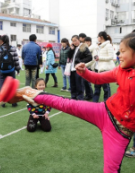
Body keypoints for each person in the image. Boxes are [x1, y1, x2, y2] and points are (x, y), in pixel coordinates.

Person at [9, 32, 135, 173]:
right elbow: (98, 79)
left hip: (121, 132)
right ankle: (29, 92)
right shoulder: (121, 70)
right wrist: (85, 72)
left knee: (110, 170)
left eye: (123, 51)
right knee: (67, 104)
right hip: (104, 111)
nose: (119, 55)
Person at [0, 35, 20, 107]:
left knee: (2, 86)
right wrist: (17, 69)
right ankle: (13, 102)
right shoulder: (13, 48)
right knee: (12, 86)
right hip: (11, 70)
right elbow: (16, 60)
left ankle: (3, 102)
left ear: (2, 41)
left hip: (2, 71)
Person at [91, 31, 115, 102]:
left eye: (98, 36)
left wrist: (99, 58)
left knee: (106, 88)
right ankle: (94, 102)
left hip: (104, 69)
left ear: (101, 37)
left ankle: (107, 103)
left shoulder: (108, 45)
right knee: (96, 87)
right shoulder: (98, 46)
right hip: (97, 68)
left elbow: (110, 57)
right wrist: (96, 57)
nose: (97, 38)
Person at [67, 35, 92, 100]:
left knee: (79, 85)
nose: (74, 42)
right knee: (72, 85)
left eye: (75, 40)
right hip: (72, 69)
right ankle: (73, 98)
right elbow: (69, 57)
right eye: (73, 41)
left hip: (78, 69)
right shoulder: (74, 47)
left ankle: (80, 99)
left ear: (79, 40)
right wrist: (71, 49)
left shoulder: (83, 47)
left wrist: (80, 62)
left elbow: (90, 57)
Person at [79, 34, 93, 100]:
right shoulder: (84, 48)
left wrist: (85, 64)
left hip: (89, 67)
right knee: (84, 82)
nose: (87, 43)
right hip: (84, 67)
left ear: (90, 42)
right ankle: (88, 94)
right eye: (86, 41)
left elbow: (92, 59)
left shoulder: (92, 48)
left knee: (87, 82)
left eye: (88, 41)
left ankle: (90, 95)